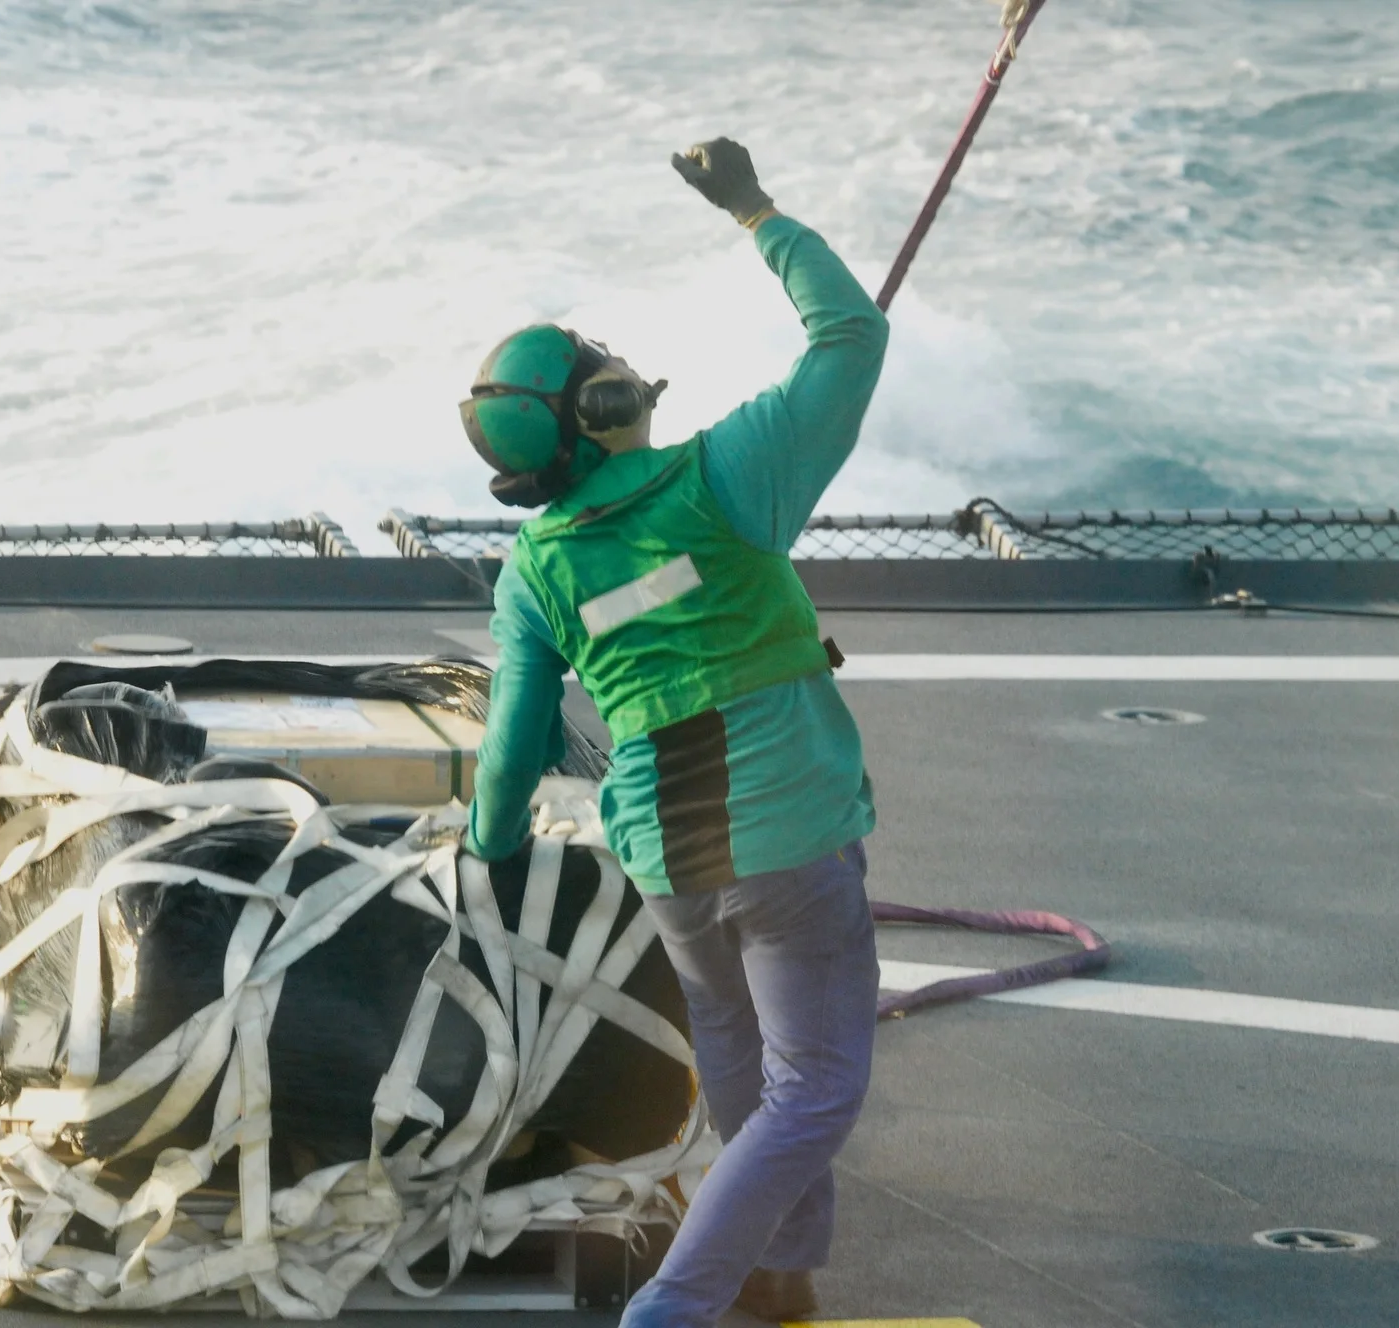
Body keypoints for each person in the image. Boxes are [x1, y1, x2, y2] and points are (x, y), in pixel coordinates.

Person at [456, 137, 889, 1327]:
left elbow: (509, 751)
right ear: (604, 407)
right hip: (790, 836)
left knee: (747, 1072)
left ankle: (778, 1269)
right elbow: (849, 337)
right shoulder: (732, 474)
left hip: (669, 860)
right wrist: (754, 209)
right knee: (817, 1088)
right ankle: (674, 1307)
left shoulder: (535, 566)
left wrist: (487, 858)